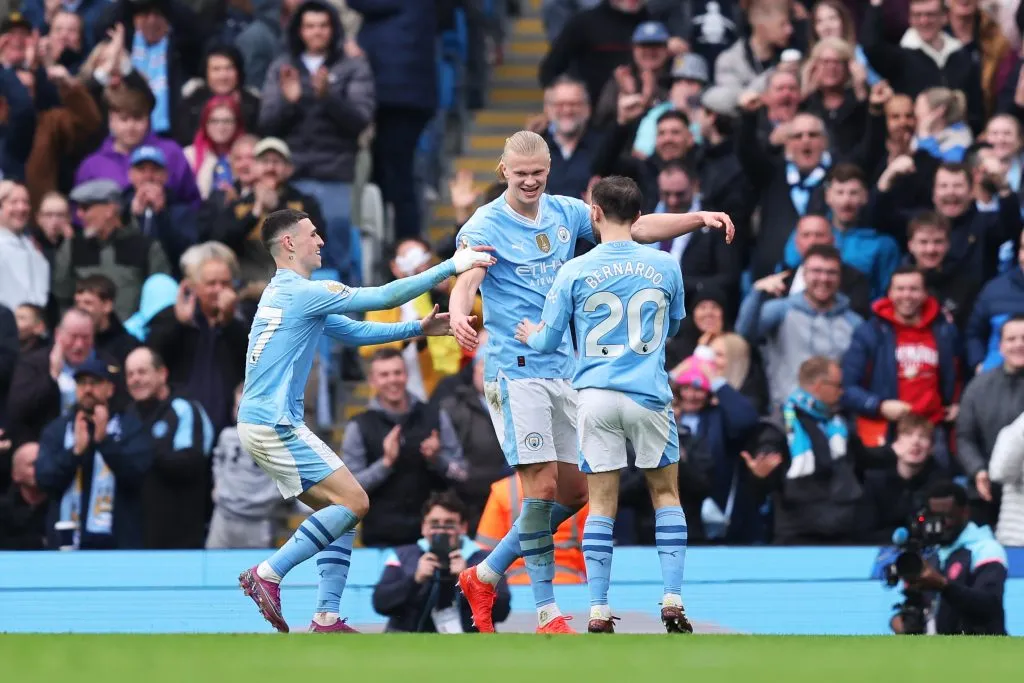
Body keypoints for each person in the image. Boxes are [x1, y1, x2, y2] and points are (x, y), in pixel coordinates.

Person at [448, 130, 734, 634]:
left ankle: (485, 573)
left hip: (567, 368)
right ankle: (547, 611)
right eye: (521, 174)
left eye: (539, 173)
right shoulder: (484, 224)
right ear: (504, 171)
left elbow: (633, 227)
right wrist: (458, 312)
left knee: (578, 492)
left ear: (549, 169)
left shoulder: (566, 212)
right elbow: (468, 276)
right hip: (516, 369)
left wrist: (697, 218)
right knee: (540, 489)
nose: (531, 181)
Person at [235, 208, 494, 634]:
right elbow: (384, 297)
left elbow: (354, 333)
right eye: (312, 234)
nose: (321, 241)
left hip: (262, 422)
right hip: (275, 422)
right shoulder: (304, 291)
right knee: (356, 502)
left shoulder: (285, 293)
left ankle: (326, 617)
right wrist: (452, 265)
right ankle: (268, 573)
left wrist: (417, 329)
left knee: (341, 510)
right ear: (289, 243)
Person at [515, 175, 692, 634]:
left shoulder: (574, 270)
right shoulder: (666, 265)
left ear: (594, 213)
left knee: (601, 504)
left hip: (594, 396)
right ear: (639, 216)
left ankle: (597, 608)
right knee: (665, 494)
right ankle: (672, 598)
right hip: (648, 394)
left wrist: (529, 334)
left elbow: (548, 340)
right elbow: (673, 327)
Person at [371, 491, 511, 633]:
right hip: (411, 639)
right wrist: (415, 580)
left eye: (449, 524)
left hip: (469, 641)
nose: (441, 530)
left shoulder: (487, 560)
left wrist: (470, 582)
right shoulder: (403, 556)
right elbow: (381, 603)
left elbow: (501, 612)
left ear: (463, 527)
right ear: (424, 527)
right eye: (434, 524)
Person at [892, 482, 1007, 635]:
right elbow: (921, 607)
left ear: (965, 512)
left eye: (947, 517)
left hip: (980, 647)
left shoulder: (986, 549)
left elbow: (989, 606)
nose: (940, 525)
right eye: (934, 517)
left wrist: (944, 586)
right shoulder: (931, 552)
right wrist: (901, 621)